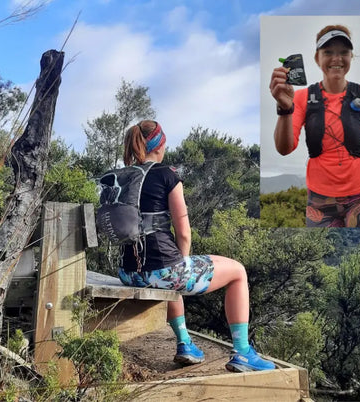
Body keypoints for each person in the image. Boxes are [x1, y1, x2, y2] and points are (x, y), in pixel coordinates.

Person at [117, 120, 275, 372]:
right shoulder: (167, 175)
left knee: (168, 271)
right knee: (237, 272)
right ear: (161, 145)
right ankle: (243, 352)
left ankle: (185, 344)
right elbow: (184, 232)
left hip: (128, 273)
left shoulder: (123, 178)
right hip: (161, 272)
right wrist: (183, 263)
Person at [269, 24, 360, 227]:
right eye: (328, 52)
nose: (337, 58)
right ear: (317, 58)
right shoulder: (300, 98)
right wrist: (285, 109)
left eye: (344, 52)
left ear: (351, 57)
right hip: (319, 200)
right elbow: (285, 148)